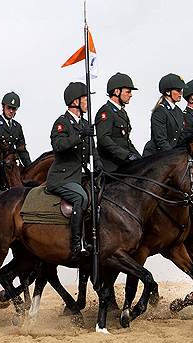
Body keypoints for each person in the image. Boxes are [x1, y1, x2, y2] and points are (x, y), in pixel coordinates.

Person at [47, 82, 92, 258]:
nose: (88, 102)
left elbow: (91, 150)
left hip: (78, 176)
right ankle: (76, 243)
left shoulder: (85, 123)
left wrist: (99, 166)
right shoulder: (62, 123)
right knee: (81, 197)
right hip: (61, 178)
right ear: (75, 101)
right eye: (85, 98)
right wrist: (80, 134)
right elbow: (58, 146)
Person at [95, 73, 141, 173]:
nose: (131, 95)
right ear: (117, 91)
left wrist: (139, 157)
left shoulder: (122, 112)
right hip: (111, 165)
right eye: (128, 92)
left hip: (122, 162)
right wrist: (126, 155)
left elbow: (126, 141)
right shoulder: (106, 112)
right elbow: (103, 138)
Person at [143, 73, 186, 156]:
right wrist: (173, 155)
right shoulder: (160, 111)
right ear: (167, 91)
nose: (181, 94)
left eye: (181, 90)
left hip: (171, 154)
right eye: (178, 90)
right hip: (156, 156)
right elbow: (161, 140)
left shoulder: (178, 111)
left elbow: (180, 137)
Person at [0, 92, 31, 167]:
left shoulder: (17, 127)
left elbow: (22, 150)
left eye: (14, 108)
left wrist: (30, 167)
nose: (11, 111)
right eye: (9, 107)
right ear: (3, 107)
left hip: (13, 164)